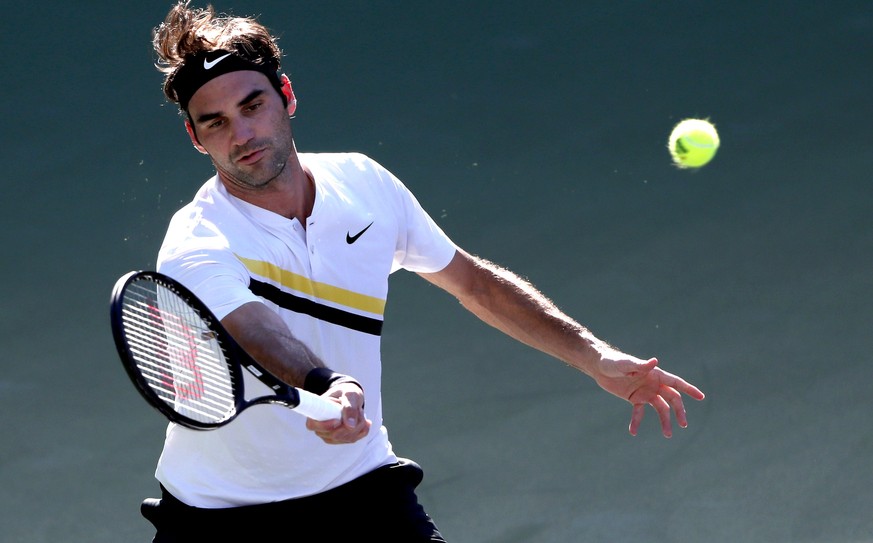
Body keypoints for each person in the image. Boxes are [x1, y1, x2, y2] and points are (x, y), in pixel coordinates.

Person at [142, 1, 705, 541]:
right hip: (220, 520)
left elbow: (474, 283)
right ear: (195, 137)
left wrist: (593, 355)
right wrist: (329, 384)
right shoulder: (199, 238)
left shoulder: (364, 185)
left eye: (252, 106)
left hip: (361, 492)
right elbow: (251, 326)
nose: (241, 135)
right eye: (215, 123)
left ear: (286, 97)